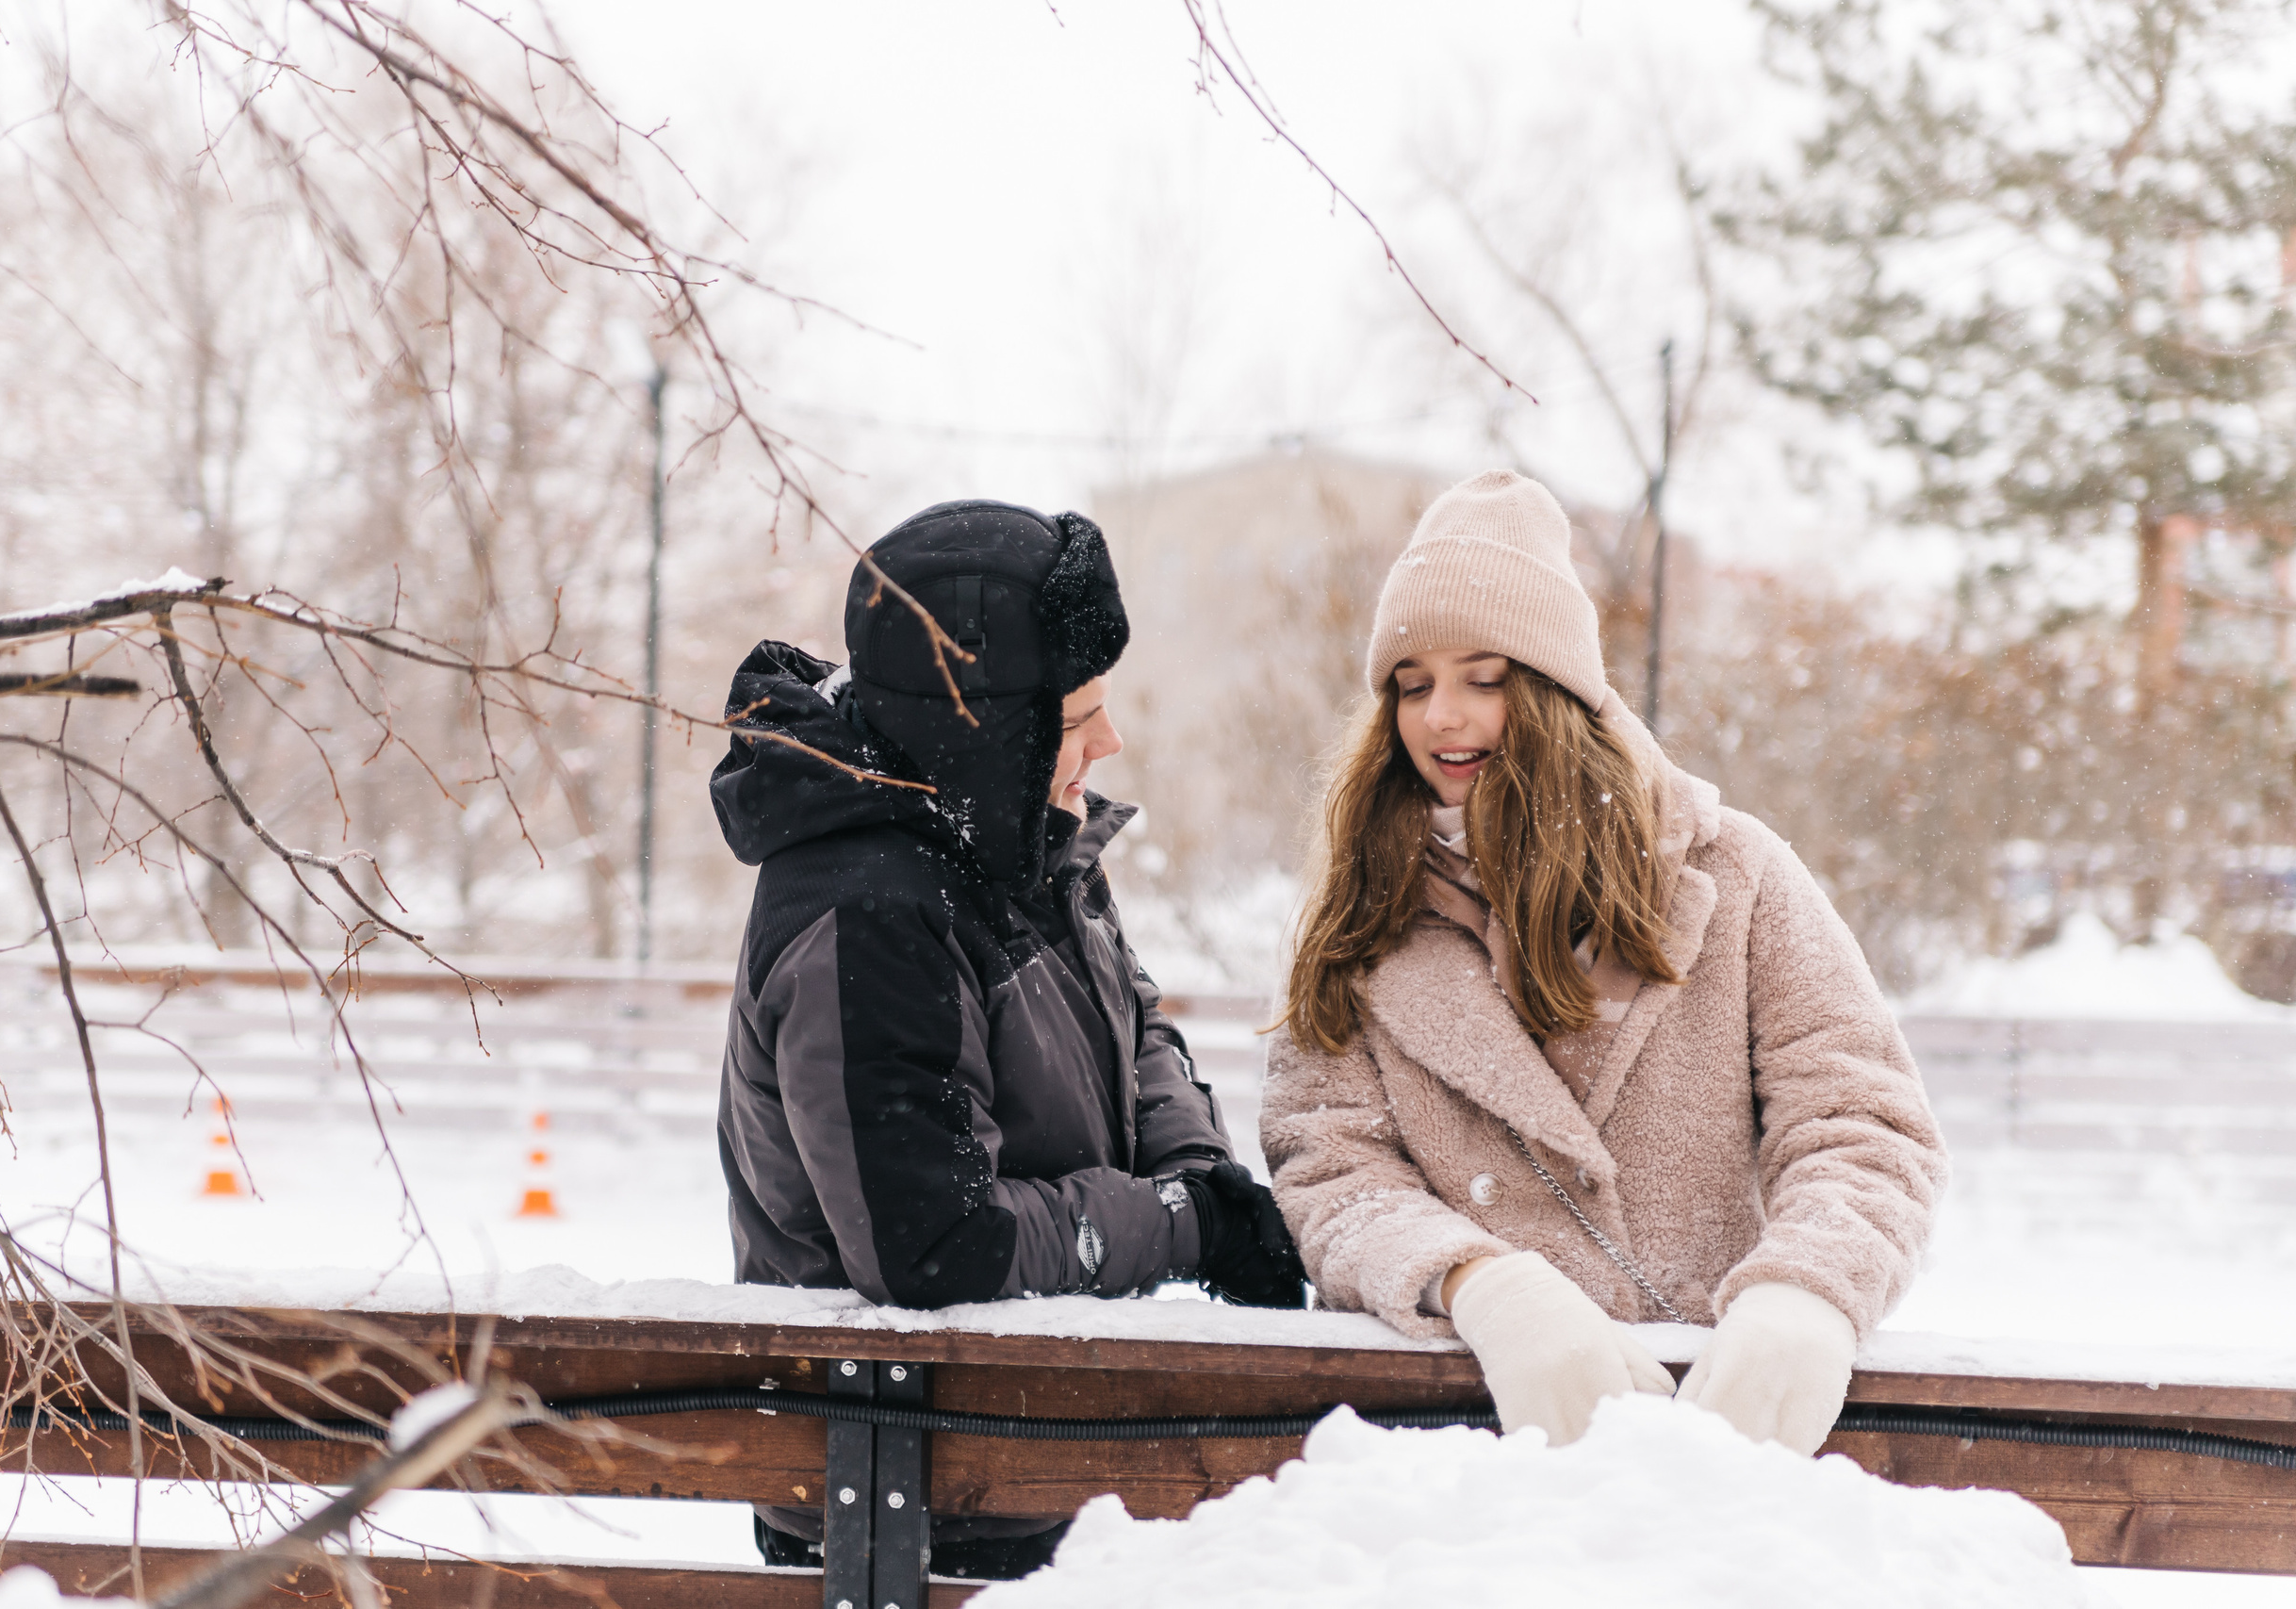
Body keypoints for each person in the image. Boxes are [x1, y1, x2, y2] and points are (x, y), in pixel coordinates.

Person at [1260, 469, 1948, 1455]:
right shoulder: (1358, 915)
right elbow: (1329, 1170)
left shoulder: (1734, 874)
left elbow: (1859, 1122)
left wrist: (1803, 1296)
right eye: (1411, 685)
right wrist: (1482, 1284)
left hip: (1709, 1439)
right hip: (1443, 1442)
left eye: (1482, 678)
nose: (1440, 716)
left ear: (1553, 692)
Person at [713, 498, 1304, 1577]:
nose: (1110, 742)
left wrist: (1199, 1172)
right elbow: (942, 1247)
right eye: (1075, 719)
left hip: (1029, 1451)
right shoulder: (870, 911)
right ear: (983, 731)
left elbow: (1138, 1029)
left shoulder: (1012, 839)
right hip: (912, 1502)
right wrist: (1182, 1224)